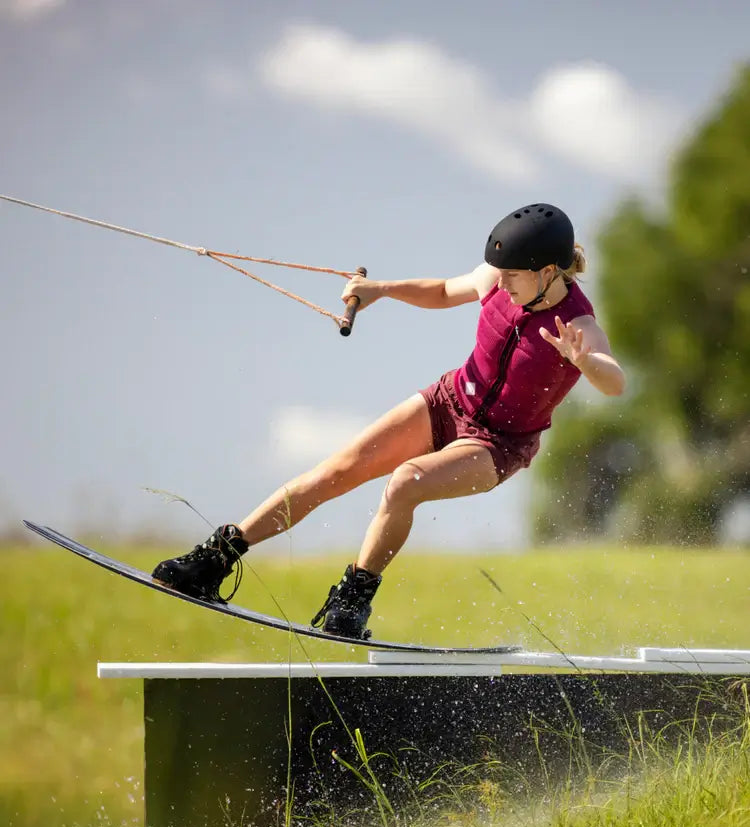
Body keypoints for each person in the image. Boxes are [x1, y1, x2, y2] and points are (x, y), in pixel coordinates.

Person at [152, 203, 625, 640]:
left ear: (547, 273)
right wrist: (382, 290)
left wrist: (586, 363)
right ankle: (214, 561)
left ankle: (352, 602)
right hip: (449, 400)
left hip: (497, 444)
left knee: (405, 484)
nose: (499, 285)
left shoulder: (579, 327)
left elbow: (615, 382)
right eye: (498, 274)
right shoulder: (498, 279)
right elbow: (443, 291)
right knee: (337, 470)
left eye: (512, 277)